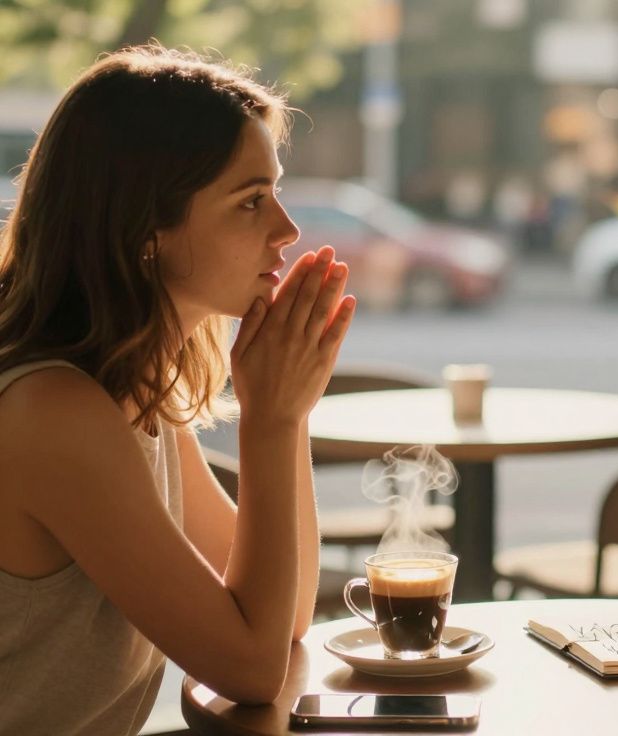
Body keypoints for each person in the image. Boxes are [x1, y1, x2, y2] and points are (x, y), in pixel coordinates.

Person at [0, 47, 355, 733]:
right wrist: (271, 422)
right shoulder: (54, 413)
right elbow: (252, 668)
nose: (287, 230)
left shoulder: (135, 386)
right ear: (146, 231)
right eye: (251, 201)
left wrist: (290, 405)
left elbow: (284, 619)